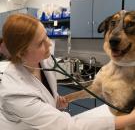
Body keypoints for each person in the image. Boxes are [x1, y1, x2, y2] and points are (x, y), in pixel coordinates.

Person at [0, 13, 135, 130]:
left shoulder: (43, 59)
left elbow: (43, 92)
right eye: (41, 43)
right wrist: (130, 119)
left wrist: (54, 101)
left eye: (46, 36)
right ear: (21, 53)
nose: (50, 44)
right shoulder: (15, 93)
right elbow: (68, 127)